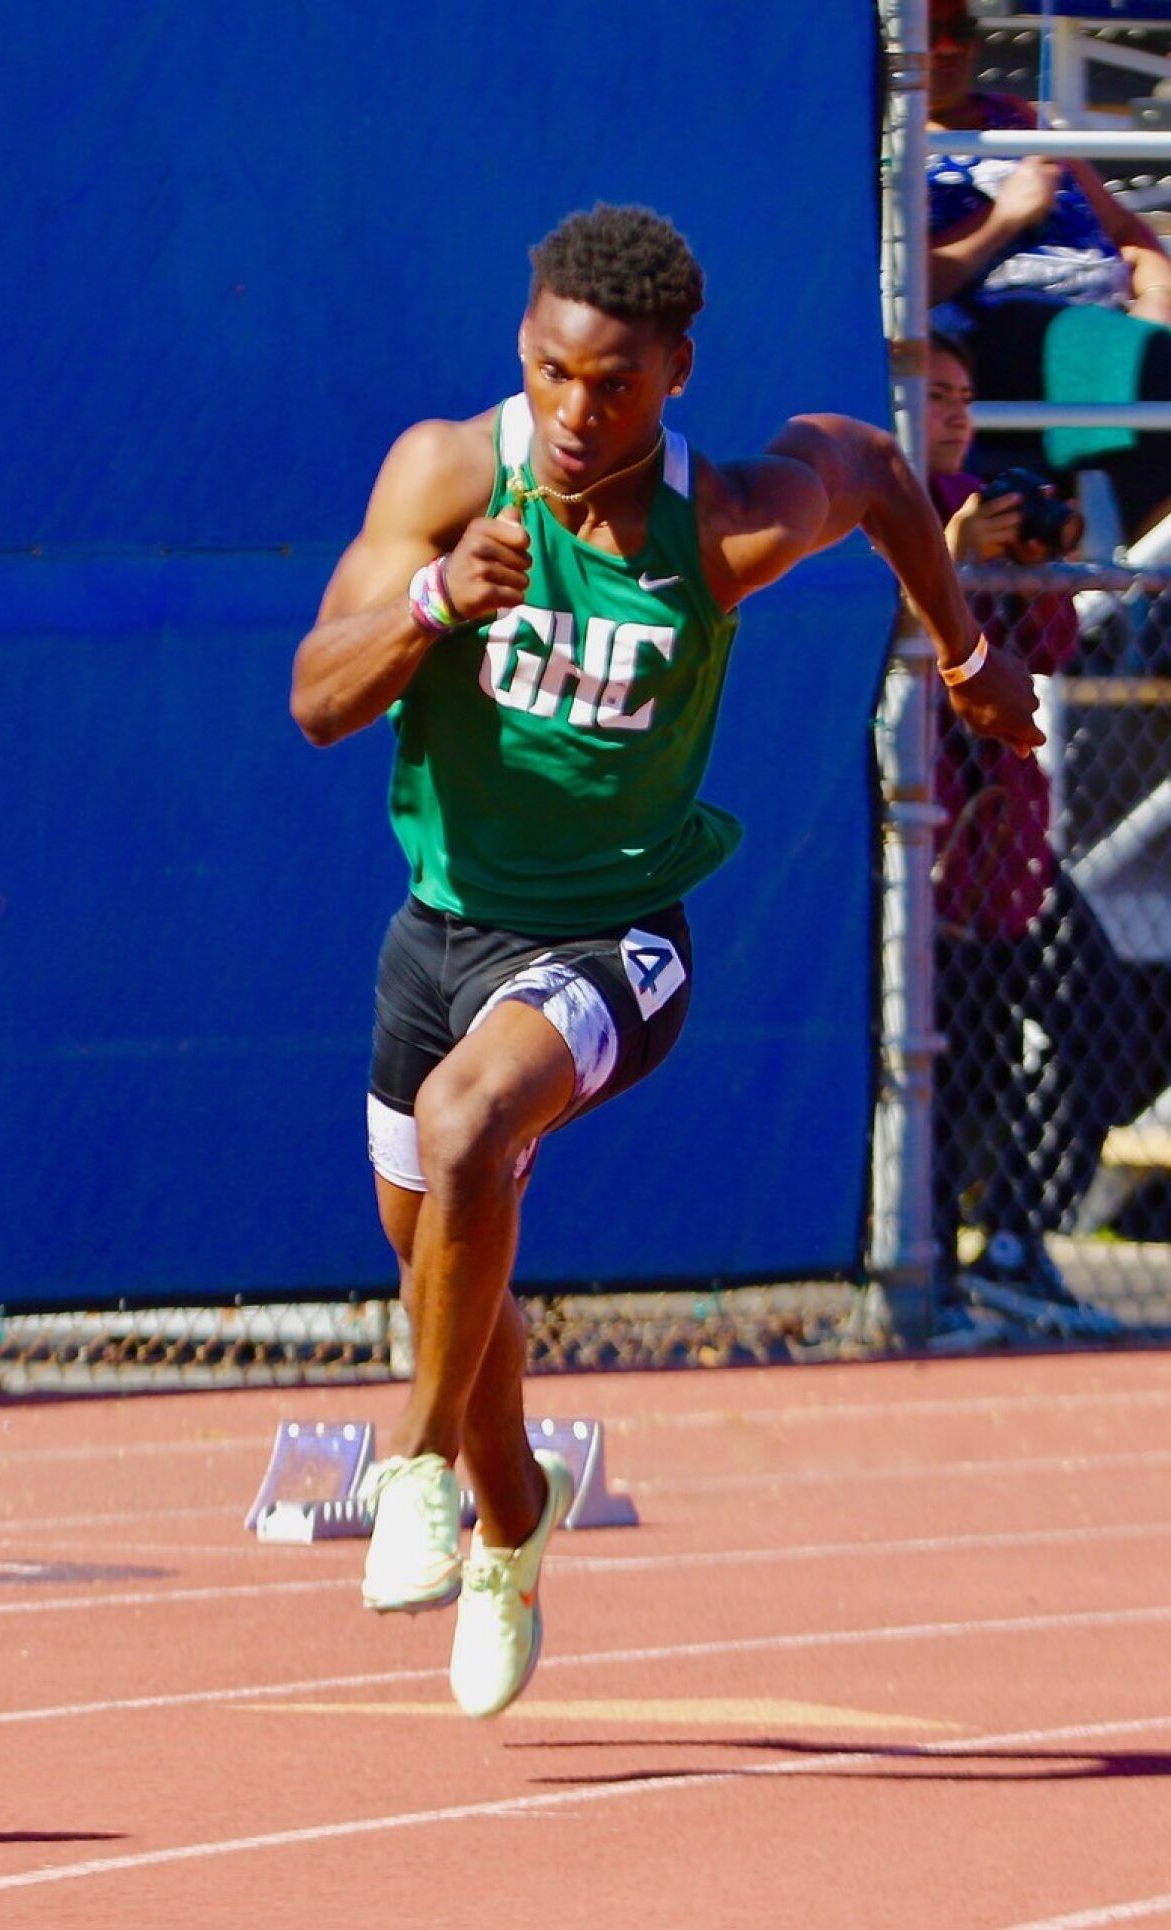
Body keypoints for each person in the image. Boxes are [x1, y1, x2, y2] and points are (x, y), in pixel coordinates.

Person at [290, 204, 1041, 1719]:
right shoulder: (448, 471)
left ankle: (419, 1466)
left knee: (468, 1130)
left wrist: (966, 653)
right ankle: (512, 1524)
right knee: (446, 1256)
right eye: (556, 374)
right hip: (438, 932)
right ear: (526, 348)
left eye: (616, 386)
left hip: (618, 936)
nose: (579, 416)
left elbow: (880, 467)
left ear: (678, 372)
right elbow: (316, 696)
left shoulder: (727, 523)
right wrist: (439, 603)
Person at [926, 331, 1125, 1340]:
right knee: (956, 1067)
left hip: (1014, 854)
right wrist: (952, 561)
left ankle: (1013, 1235)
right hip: (920, 858)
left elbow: (1048, 652)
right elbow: (890, 653)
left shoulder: (985, 492)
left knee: (1113, 1022)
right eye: (935, 395)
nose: (956, 412)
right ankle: (926, 1271)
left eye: (966, 395)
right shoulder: (867, 506)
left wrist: (1041, 560)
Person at [928, 0, 1171, 539]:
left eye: (960, 30)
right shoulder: (886, 142)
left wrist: (1156, 294)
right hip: (1000, 323)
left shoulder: (1019, 118)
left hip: (1109, 324)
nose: (948, 47)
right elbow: (903, 283)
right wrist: (1005, 216)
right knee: (1155, 369)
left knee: (1152, 359)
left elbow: (1128, 231)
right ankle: (1129, 585)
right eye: (930, 31)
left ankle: (1134, 583)